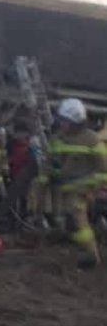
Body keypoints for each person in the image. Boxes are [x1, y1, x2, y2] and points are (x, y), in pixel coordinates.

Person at [47, 98, 105, 269]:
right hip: (62, 188)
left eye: (65, 121)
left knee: (76, 214)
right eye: (61, 121)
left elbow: (103, 170)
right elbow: (53, 162)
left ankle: (91, 255)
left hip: (83, 190)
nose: (62, 124)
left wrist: (92, 187)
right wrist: (49, 174)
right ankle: (79, 245)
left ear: (76, 122)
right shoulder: (59, 139)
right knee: (64, 218)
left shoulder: (92, 140)